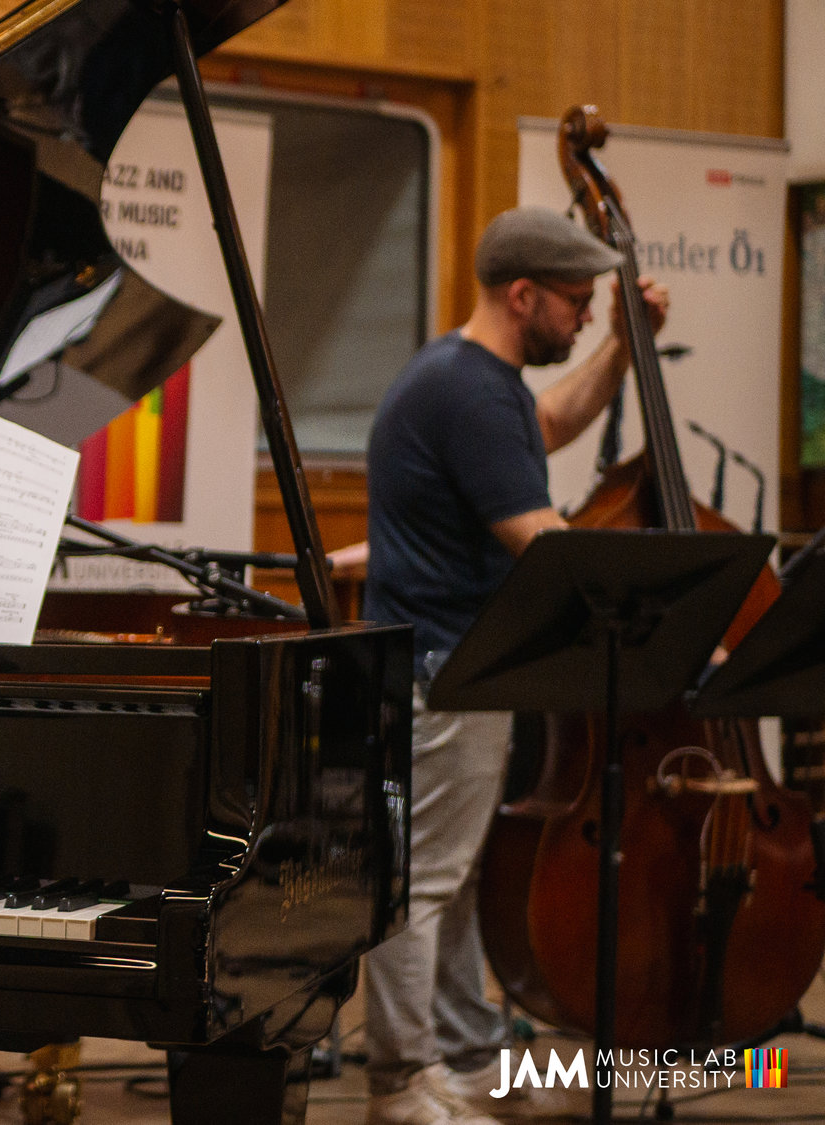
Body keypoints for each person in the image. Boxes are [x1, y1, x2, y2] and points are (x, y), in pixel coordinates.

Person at [353, 206, 668, 1125]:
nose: (584, 315)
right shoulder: (469, 393)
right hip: (447, 671)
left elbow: (553, 423)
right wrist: (667, 615)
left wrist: (622, 349)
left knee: (445, 878)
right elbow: (546, 547)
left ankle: (456, 1057)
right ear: (522, 295)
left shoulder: (468, 380)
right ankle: (399, 1081)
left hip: (452, 667)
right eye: (575, 300)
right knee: (421, 883)